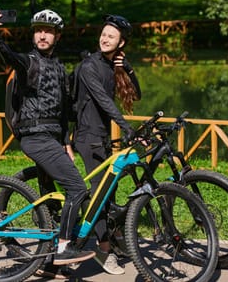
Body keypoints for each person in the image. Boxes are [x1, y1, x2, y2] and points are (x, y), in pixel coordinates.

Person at [0, 8, 95, 274]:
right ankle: (63, 248)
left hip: (52, 139)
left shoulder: (58, 67)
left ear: (57, 36)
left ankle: (46, 263)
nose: (42, 35)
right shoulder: (29, 62)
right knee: (78, 189)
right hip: (36, 138)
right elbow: (9, 57)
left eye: (48, 31)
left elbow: (63, 109)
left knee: (51, 201)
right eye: (38, 31)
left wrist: (67, 141)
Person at [73, 14, 141, 275]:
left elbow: (137, 94)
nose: (104, 38)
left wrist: (129, 68)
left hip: (101, 137)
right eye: (103, 34)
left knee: (108, 193)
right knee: (101, 194)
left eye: (111, 36)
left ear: (121, 43)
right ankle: (103, 250)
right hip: (87, 137)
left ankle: (111, 239)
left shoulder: (113, 65)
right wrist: (126, 127)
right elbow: (104, 101)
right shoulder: (89, 66)